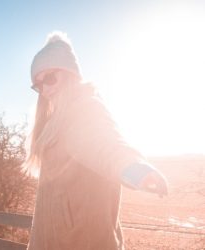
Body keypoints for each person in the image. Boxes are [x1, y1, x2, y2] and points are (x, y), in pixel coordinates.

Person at [24, 31, 168, 250]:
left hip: (80, 241)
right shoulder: (54, 121)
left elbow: (104, 143)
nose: (45, 90)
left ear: (69, 73)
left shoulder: (84, 108)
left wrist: (132, 167)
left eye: (50, 78)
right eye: (38, 85)